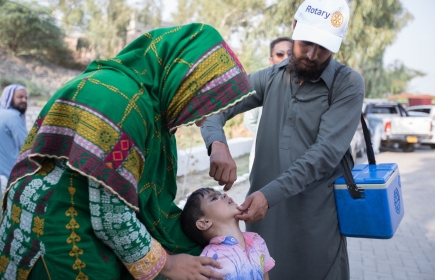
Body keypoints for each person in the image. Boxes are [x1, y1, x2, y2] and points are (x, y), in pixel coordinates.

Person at [0, 23, 256, 280]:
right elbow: (110, 216)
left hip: (91, 216)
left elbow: (147, 203)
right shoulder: (119, 100)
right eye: (202, 102)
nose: (201, 120)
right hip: (57, 224)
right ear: (185, 79)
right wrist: (168, 264)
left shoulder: (152, 109)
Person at [200, 0, 365, 278]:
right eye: (306, 43)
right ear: (294, 27)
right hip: (262, 218)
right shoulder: (271, 77)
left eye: (323, 48)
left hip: (314, 220)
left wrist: (269, 194)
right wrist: (217, 143)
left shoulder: (347, 83)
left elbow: (324, 153)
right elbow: (214, 106)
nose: (312, 55)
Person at [180, 188, 274, 279]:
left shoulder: (258, 241)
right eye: (214, 198)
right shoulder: (208, 260)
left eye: (220, 194)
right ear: (204, 223)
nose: (224, 194)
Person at [243, 37, 292, 171]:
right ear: (271, 60)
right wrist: (269, 137)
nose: (286, 58)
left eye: (290, 54)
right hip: (263, 158)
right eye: (280, 54)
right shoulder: (261, 85)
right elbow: (249, 121)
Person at [0, 84, 28, 198]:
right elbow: (26, 146)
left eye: (26, 98)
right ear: (9, 97)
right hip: (9, 176)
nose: (24, 100)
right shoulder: (13, 117)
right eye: (20, 97)